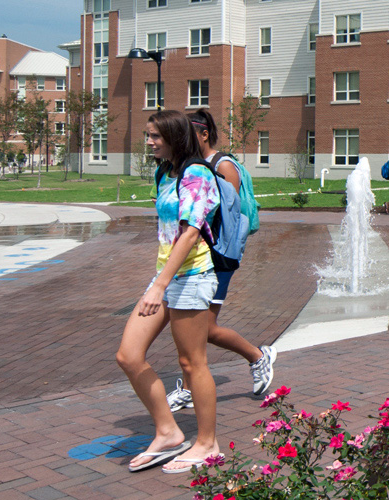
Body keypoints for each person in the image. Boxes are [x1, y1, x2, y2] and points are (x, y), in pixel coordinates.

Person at [116, 110, 222, 473]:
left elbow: (191, 232)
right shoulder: (166, 172)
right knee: (129, 355)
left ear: (175, 137)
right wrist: (160, 279)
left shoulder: (196, 174)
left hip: (191, 276)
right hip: (167, 275)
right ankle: (167, 432)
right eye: (148, 135)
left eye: (155, 137)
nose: (149, 142)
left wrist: (159, 286)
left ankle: (208, 443)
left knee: (192, 363)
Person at [164, 110, 276, 413]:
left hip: (216, 257)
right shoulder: (186, 166)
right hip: (191, 257)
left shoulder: (222, 165)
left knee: (207, 327)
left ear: (203, 134)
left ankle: (257, 356)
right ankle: (189, 386)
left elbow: (223, 213)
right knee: (190, 326)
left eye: (187, 133)